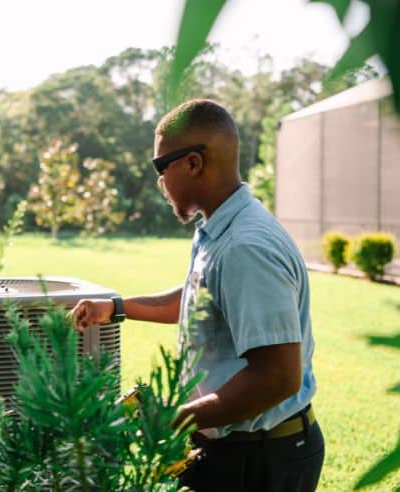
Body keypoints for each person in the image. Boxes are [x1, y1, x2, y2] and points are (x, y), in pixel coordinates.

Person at [70, 99, 324, 492]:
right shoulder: (219, 228)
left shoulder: (245, 246)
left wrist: (170, 420)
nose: (158, 182)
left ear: (193, 164)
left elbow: (276, 377)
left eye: (160, 167)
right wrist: (117, 308)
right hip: (231, 449)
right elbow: (197, 299)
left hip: (258, 460)